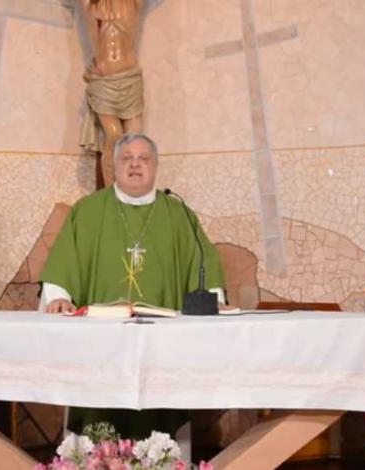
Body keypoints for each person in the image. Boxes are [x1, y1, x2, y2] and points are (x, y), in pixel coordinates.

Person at [39, 133, 229, 438]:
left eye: (143, 159)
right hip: (101, 341)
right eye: (127, 158)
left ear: (155, 166)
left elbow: (202, 260)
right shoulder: (87, 210)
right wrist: (59, 296)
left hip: (163, 342)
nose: (135, 165)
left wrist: (212, 300)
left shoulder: (178, 212)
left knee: (161, 408)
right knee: (98, 410)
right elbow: (65, 259)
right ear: (114, 167)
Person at [79, 0, 144, 186]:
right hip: (104, 82)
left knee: (134, 140)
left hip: (130, 80)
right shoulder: (90, 4)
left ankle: (130, 192)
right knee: (114, 136)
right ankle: (110, 194)